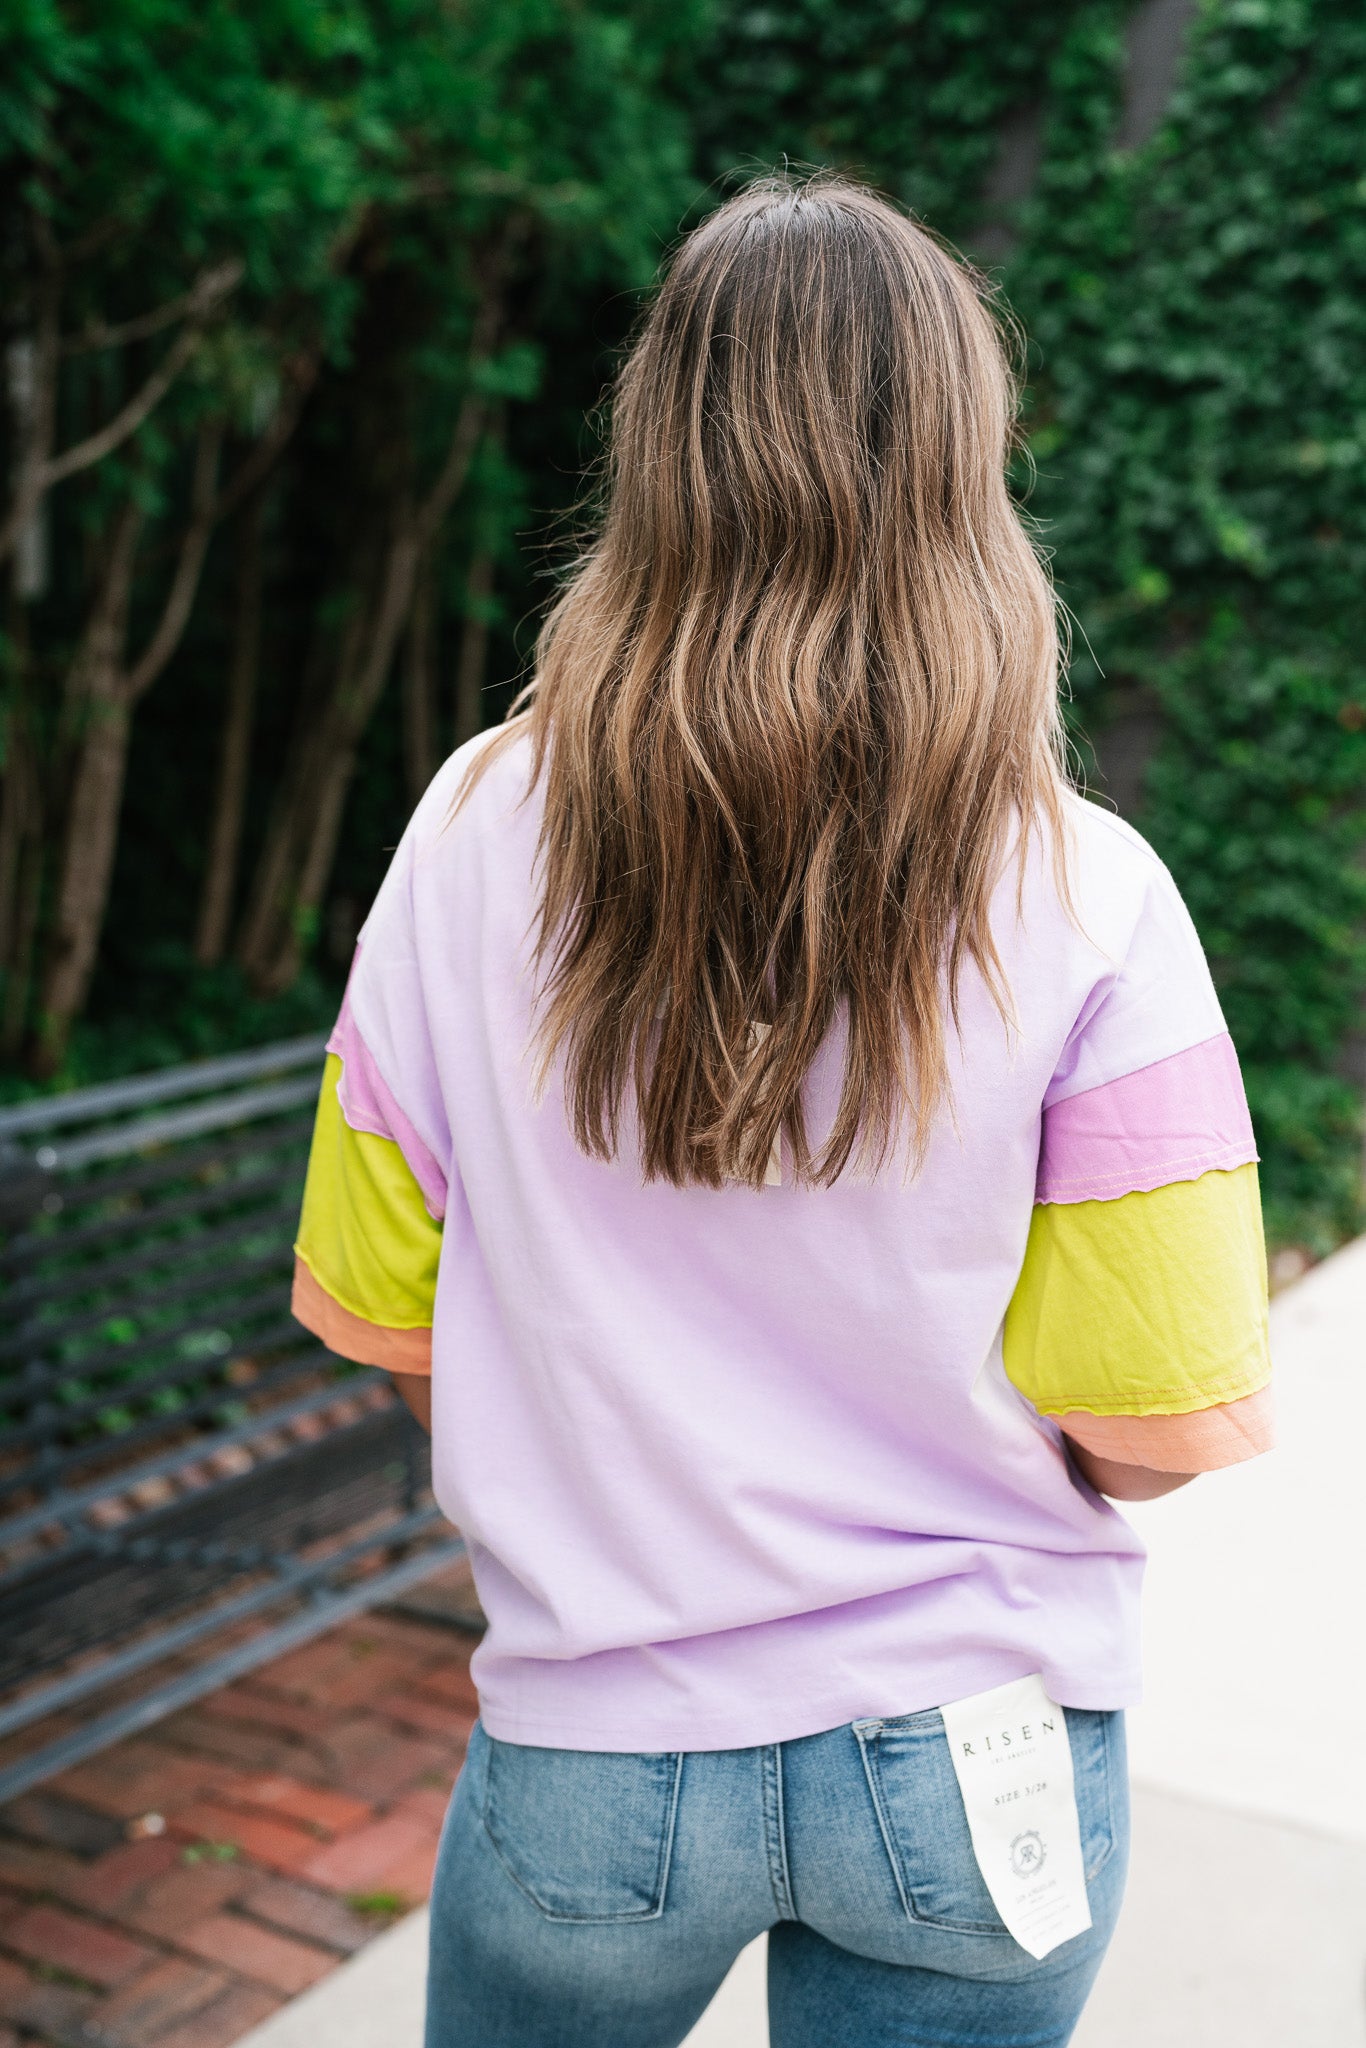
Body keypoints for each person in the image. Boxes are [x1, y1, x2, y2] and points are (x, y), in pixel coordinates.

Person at [291, 173, 1272, 2048]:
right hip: (977, 1756)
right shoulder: (1094, 890)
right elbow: (1142, 1427)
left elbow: (386, 1311)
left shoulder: (467, 828)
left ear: (659, 445)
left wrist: (604, 1446)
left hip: (594, 1750)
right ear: (961, 467)